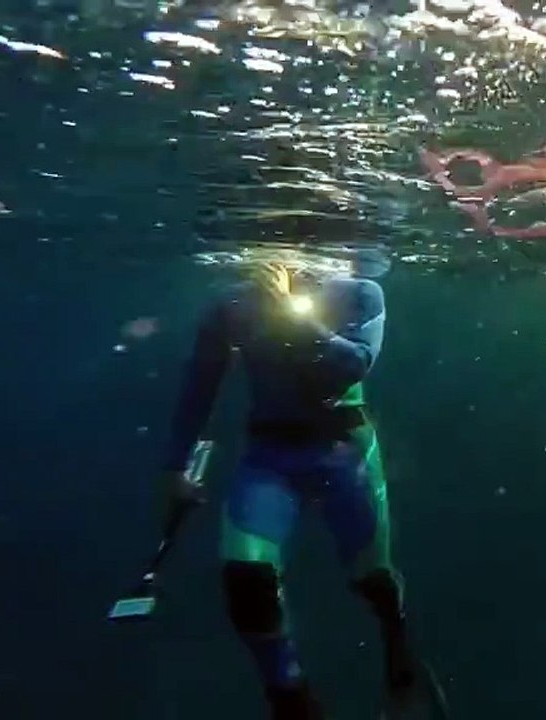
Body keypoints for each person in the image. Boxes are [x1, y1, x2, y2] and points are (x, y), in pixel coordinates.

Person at [156, 254, 427, 719]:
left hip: (344, 451)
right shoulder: (233, 304)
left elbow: (353, 365)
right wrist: (176, 465)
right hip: (271, 455)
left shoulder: (359, 292)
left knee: (373, 577)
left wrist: (287, 313)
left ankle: (396, 642)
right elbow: (200, 383)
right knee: (245, 579)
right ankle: (291, 697)